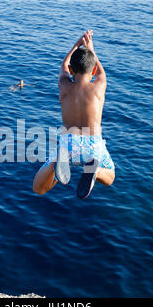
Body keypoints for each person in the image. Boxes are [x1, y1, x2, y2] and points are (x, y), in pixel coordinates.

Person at [32, 30, 115, 199]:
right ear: (92, 72)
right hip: (94, 144)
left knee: (38, 188)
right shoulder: (99, 85)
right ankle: (96, 171)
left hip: (68, 143)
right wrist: (90, 47)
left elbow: (64, 66)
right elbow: (99, 71)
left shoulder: (64, 86)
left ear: (71, 70)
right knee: (110, 176)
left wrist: (77, 44)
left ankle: (55, 164)